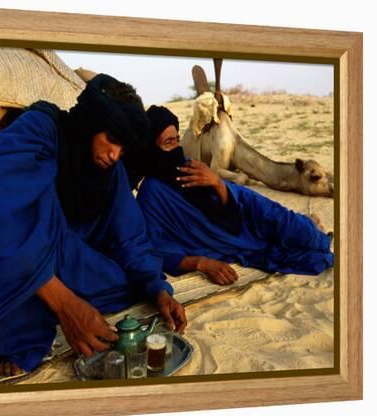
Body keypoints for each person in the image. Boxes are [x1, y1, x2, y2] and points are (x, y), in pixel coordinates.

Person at [0, 76, 186, 377]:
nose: (114, 155)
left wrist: (158, 288)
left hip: (65, 259)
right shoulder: (41, 130)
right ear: (92, 122)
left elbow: (131, 237)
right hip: (12, 252)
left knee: (126, 283)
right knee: (11, 312)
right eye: (112, 139)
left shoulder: (112, 171)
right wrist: (65, 303)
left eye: (124, 149)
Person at [136, 105, 334, 286]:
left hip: (248, 215)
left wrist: (216, 183)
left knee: (306, 235)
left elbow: (233, 205)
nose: (176, 148)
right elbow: (154, 249)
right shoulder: (152, 193)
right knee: (314, 259)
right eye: (168, 143)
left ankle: (314, 230)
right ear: (152, 147)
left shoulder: (190, 166)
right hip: (231, 242)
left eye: (177, 140)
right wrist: (201, 263)